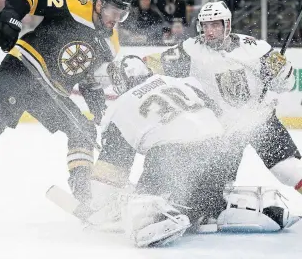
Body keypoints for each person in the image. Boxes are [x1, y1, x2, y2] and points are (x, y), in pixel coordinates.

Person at [85, 55, 299, 247]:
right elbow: (220, 117)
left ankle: (160, 212)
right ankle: (212, 205)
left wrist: (98, 204)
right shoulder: (181, 82)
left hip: (173, 162)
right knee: (205, 189)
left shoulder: (120, 107)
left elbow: (109, 173)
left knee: (141, 203)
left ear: (120, 84)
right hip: (220, 156)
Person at [0, 0, 132, 205]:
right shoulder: (74, 5)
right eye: (114, 12)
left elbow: (90, 82)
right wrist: (11, 20)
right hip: (23, 70)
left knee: (83, 130)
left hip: (51, 93)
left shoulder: (111, 45)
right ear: (99, 5)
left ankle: (84, 194)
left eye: (122, 15)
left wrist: (100, 112)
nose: (116, 19)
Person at [144, 1, 302, 197]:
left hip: (260, 120)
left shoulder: (255, 49)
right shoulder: (193, 50)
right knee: (213, 195)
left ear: (227, 25)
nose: (209, 32)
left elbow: (285, 84)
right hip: (223, 129)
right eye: (206, 25)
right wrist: (136, 66)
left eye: (215, 25)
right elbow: (157, 63)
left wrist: (282, 72)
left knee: (288, 170)